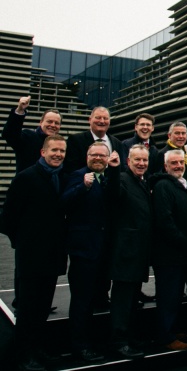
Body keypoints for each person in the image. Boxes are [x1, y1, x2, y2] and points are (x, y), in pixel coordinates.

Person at [3, 135, 67, 370]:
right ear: (43, 152)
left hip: (52, 256)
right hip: (31, 256)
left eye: (62, 151)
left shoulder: (61, 176)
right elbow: (7, 218)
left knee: (42, 309)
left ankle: (37, 349)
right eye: (54, 150)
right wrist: (24, 242)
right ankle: (24, 354)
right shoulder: (26, 178)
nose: (58, 154)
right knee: (28, 309)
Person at [62, 141, 121, 363]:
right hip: (84, 250)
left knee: (98, 299)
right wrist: (82, 187)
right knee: (81, 300)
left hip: (105, 250)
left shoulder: (110, 176)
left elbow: (115, 200)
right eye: (93, 155)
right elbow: (64, 204)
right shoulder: (77, 176)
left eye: (102, 155)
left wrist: (115, 170)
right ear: (87, 156)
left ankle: (93, 341)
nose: (98, 158)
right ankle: (79, 345)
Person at [108, 145, 153, 359]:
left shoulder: (142, 182)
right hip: (125, 253)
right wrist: (114, 170)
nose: (142, 163)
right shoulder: (123, 179)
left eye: (144, 160)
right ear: (128, 161)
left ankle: (129, 336)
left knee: (133, 299)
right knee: (122, 300)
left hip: (138, 253)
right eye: (137, 160)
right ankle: (119, 341)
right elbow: (114, 194)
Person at [150, 149, 187, 351]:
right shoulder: (163, 186)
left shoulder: (178, 185)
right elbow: (164, 221)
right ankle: (165, 337)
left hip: (179, 253)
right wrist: (184, 241)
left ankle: (171, 330)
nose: (178, 166)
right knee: (167, 296)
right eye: (173, 163)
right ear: (165, 166)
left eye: (180, 163)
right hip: (168, 253)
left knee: (175, 295)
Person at [2, 96, 62, 174]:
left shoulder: (61, 144)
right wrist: (20, 110)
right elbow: (10, 134)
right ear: (41, 122)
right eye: (49, 121)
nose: (53, 125)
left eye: (56, 123)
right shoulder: (28, 137)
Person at [64, 106, 124, 173]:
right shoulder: (75, 140)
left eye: (105, 118)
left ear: (109, 121)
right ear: (89, 120)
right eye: (98, 118)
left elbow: (121, 169)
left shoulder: (117, 143)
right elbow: (70, 169)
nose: (102, 121)